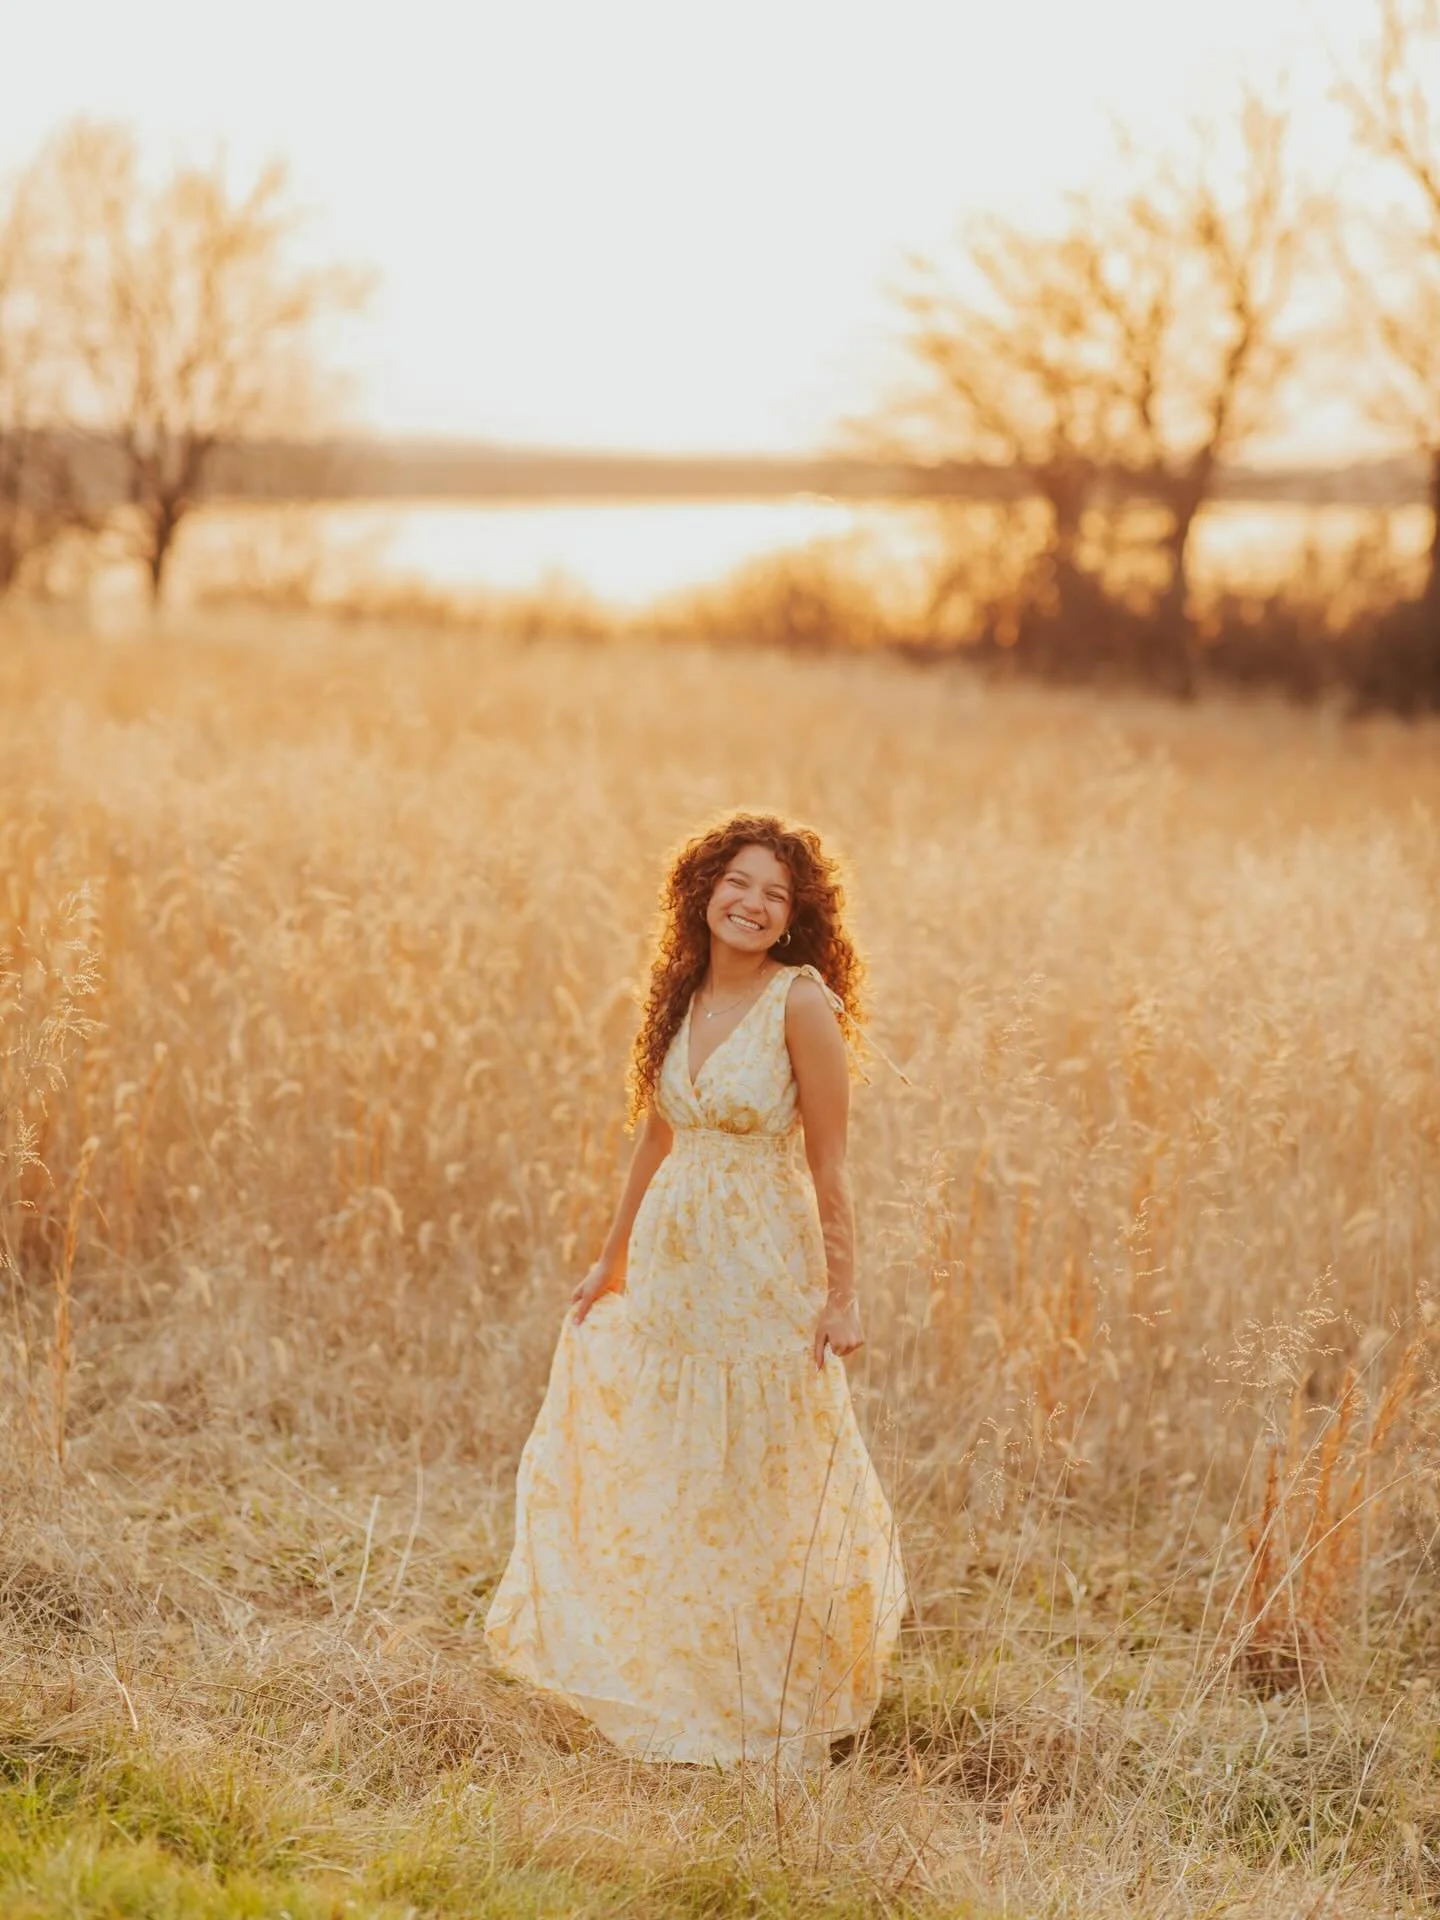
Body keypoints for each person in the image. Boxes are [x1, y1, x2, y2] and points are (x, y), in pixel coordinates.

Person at [484, 811, 906, 1768]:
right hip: (676, 1264)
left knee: (755, 1460)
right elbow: (657, 1136)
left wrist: (843, 1295)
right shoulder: (680, 993)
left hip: (760, 1264)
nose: (753, 904)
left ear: (796, 917)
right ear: (705, 888)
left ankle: (761, 1679)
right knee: (673, 1457)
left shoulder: (802, 1004)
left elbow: (832, 1165)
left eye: (775, 894)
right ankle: (669, 1666)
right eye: (739, 883)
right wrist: (613, 1257)